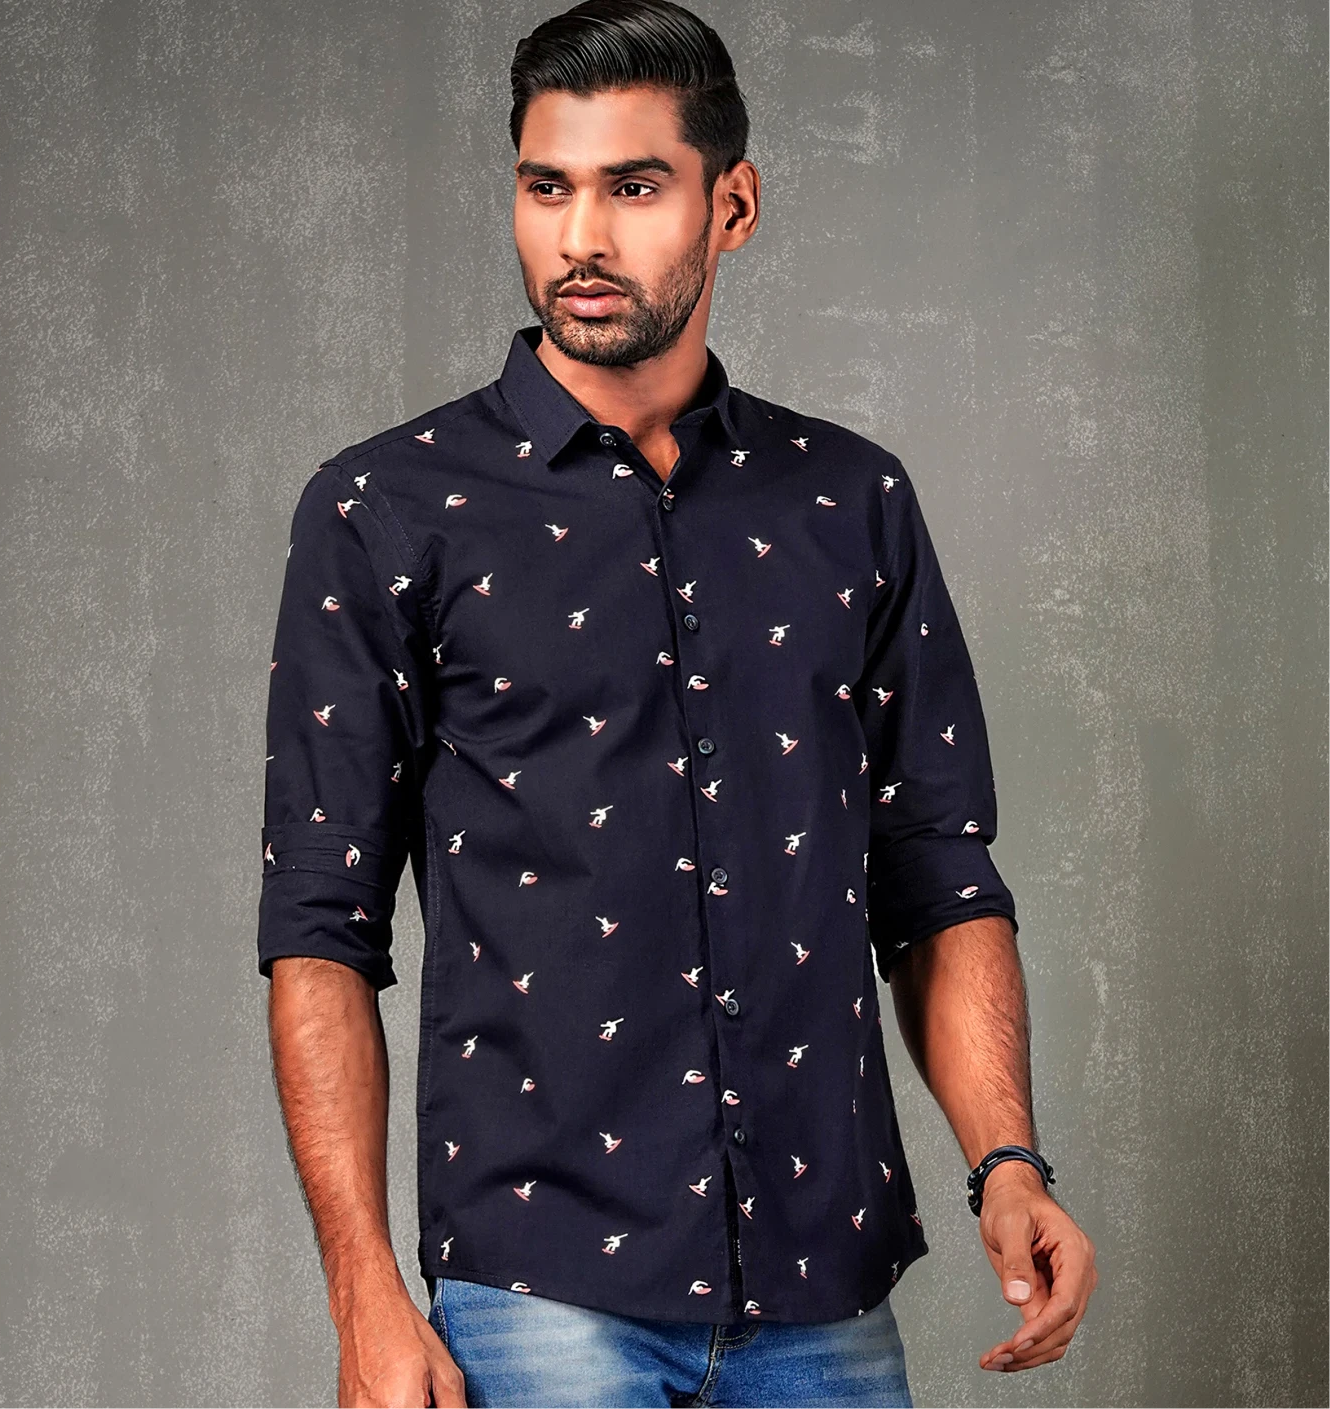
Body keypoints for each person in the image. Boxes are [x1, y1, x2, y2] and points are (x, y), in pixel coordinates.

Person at [255, 1, 1098, 1404]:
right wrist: (364, 1292)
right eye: (547, 187)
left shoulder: (851, 501)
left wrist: (1006, 1162)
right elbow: (318, 927)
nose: (581, 238)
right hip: (540, 1297)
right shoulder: (387, 509)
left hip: (827, 1294)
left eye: (634, 188)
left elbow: (938, 875)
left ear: (734, 205)